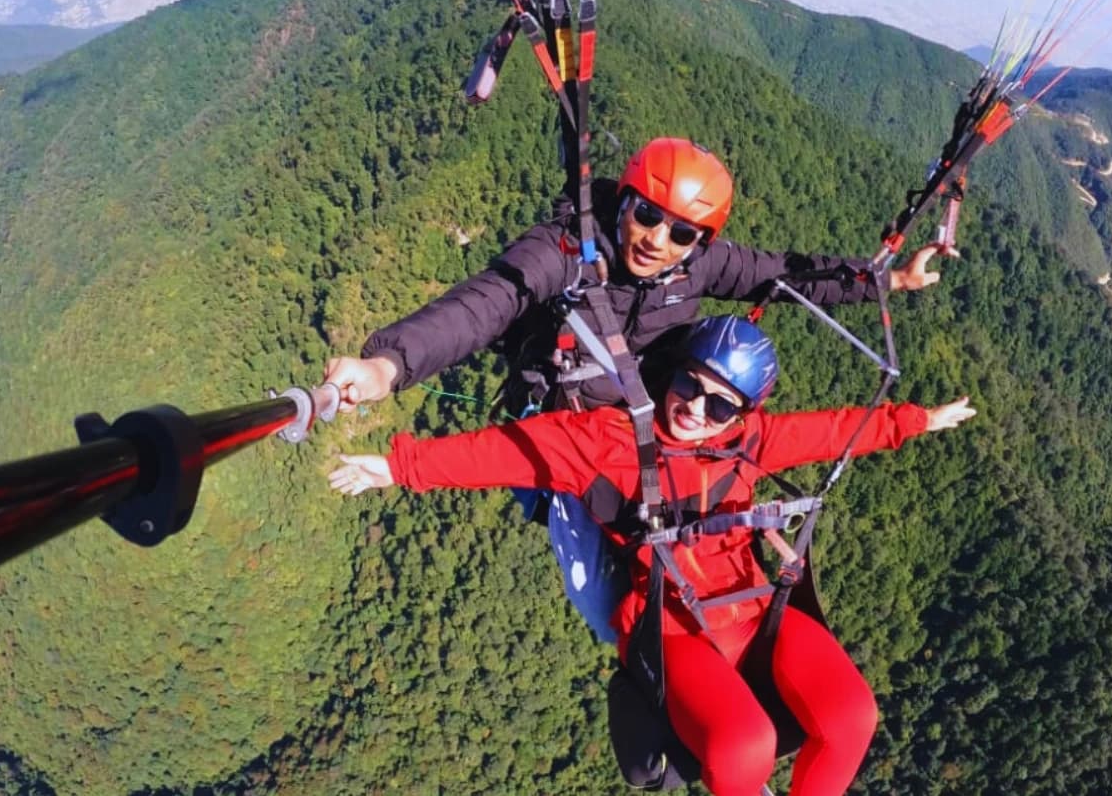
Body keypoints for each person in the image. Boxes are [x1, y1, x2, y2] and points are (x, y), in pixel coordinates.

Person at [324, 137, 949, 641]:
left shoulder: (698, 263)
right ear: (623, 202)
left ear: (700, 241)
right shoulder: (564, 252)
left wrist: (885, 281)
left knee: (695, 533)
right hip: (576, 439)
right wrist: (389, 365)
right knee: (603, 606)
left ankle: (715, 633)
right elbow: (486, 304)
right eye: (647, 215)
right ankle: (647, 657)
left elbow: (782, 276)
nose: (657, 240)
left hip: (664, 421)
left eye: (681, 233)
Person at [329, 316, 976, 796]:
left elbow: (835, 432)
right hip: (670, 627)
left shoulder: (749, 441)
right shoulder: (607, 442)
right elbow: (507, 452)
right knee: (744, 749)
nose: (695, 408)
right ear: (675, 372)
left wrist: (917, 419)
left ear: (742, 414)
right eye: (690, 384)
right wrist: (398, 467)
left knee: (852, 716)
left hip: (753, 610)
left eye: (719, 404)